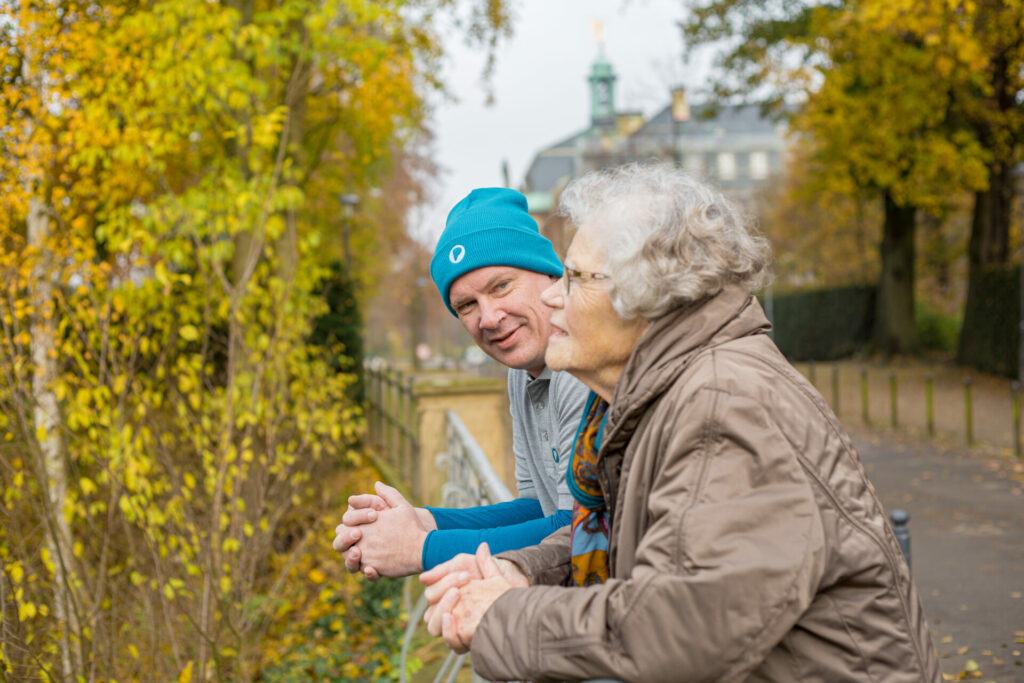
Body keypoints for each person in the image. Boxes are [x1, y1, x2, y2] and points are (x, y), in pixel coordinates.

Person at [422, 164, 940, 682]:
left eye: (576, 278)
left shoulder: (723, 404)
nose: (556, 294)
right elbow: (627, 538)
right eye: (466, 305)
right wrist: (521, 571)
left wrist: (502, 616)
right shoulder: (662, 394)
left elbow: (683, 627)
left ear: (647, 295)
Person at [333, 188, 590, 579]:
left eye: (501, 286)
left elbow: (580, 530)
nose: (488, 318)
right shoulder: (521, 375)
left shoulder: (581, 363)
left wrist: (421, 549)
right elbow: (539, 508)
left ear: (549, 273)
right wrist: (425, 521)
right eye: (466, 306)